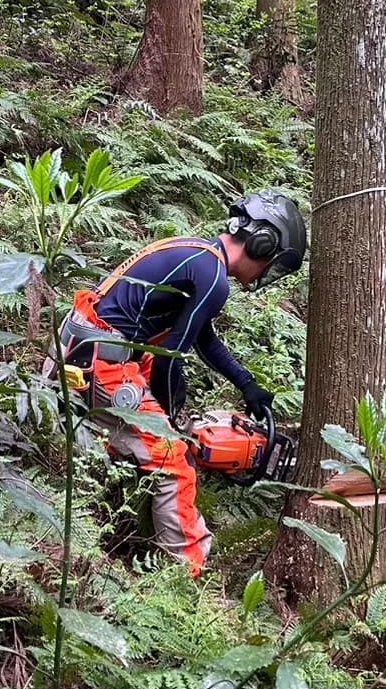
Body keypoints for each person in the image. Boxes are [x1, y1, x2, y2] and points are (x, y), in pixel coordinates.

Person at [58, 191, 307, 576]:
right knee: (173, 460)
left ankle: (108, 518)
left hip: (80, 347)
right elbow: (168, 357)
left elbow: (202, 337)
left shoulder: (197, 256)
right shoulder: (212, 277)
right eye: (271, 265)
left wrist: (247, 385)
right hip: (101, 362)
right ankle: (185, 575)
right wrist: (169, 422)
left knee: (130, 438)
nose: (264, 275)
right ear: (263, 243)